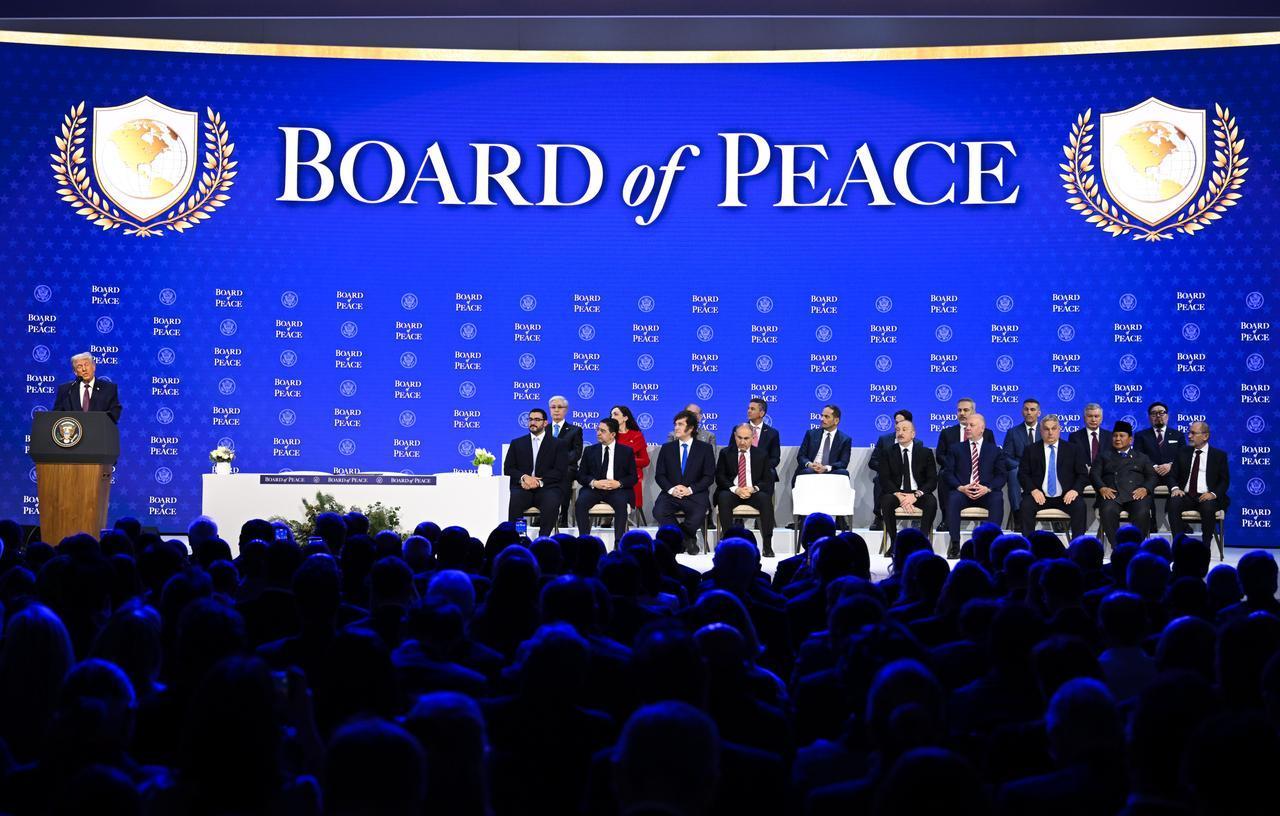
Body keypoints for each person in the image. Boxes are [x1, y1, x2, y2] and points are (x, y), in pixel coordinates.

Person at [940, 413, 1006, 559]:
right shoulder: (955, 448)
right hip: (963, 492)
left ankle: (992, 544)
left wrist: (987, 488)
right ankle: (955, 544)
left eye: (972, 425)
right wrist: (960, 487)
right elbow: (948, 473)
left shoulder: (995, 450)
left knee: (997, 498)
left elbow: (1001, 475)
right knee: (953, 498)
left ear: (982, 428)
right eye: (966, 425)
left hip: (986, 492)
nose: (967, 428)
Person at [652, 410, 716, 555]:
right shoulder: (667, 448)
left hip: (695, 493)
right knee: (659, 511)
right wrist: (672, 489)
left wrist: (690, 489)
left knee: (699, 513)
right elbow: (660, 475)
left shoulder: (704, 449)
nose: (676, 427)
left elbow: (708, 476)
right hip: (671, 494)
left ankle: (680, 539)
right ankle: (687, 540)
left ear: (691, 428)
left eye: (680, 424)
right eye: (675, 424)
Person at [1017, 414, 1089, 541]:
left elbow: (1082, 475)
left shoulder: (1073, 449)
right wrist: (1033, 490)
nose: (1050, 432)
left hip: (1065, 496)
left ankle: (1077, 545)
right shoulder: (1031, 450)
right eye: (1046, 429)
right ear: (1041, 431)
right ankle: (1028, 546)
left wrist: (1075, 490)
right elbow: (1023, 474)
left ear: (1059, 429)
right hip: (1039, 496)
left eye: (1054, 428)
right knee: (1025, 506)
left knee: (1080, 506)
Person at [875, 419, 938, 554]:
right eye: (898, 430)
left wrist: (915, 495)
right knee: (886, 501)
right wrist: (898, 494)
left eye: (904, 429)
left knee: (931, 502)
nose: (900, 433)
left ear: (913, 434)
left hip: (918, 493)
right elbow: (884, 479)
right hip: (897, 493)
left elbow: (932, 480)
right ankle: (895, 542)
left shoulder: (925, 453)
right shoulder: (887, 452)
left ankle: (921, 542)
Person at [1167, 421, 1230, 553]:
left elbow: (1224, 481)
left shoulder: (1219, 455)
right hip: (1186, 495)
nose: (1189, 436)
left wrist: (1212, 494)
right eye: (1189, 433)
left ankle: (1205, 547)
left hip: (1206, 496)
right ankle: (1178, 544)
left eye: (1193, 433)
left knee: (1209, 506)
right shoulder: (1182, 452)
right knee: (1173, 502)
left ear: (1205, 436)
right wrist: (1175, 488)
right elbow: (1172, 476)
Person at [716, 423, 777, 557]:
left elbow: (767, 480)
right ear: (734, 436)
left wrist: (753, 488)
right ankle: (727, 542)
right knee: (723, 497)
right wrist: (736, 489)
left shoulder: (761, 454)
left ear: (753, 438)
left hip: (753, 492)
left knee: (765, 499)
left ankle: (767, 545)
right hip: (733, 491)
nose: (742, 442)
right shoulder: (725, 453)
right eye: (740, 438)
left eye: (746, 438)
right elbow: (720, 477)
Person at [1094, 421, 1157, 548]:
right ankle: (1117, 547)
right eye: (1115, 436)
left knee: (1142, 512)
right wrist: (1102, 487)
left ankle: (1135, 547)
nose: (1117, 439)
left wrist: (1145, 489)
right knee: (1107, 510)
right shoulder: (1104, 456)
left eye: (1121, 436)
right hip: (1112, 494)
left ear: (1130, 439)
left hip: (1136, 494)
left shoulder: (1142, 457)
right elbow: (1094, 474)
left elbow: (1152, 476)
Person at [502, 408, 564, 538]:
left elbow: (559, 470)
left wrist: (538, 482)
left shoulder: (558, 444)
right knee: (516, 500)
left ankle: (543, 539)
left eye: (537, 420)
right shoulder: (517, 443)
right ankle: (519, 537)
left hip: (546, 487)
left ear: (545, 423)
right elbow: (508, 468)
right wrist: (524, 478)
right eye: (530, 419)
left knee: (551, 501)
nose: (532, 422)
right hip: (523, 488)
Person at [935, 398, 994, 532]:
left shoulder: (987, 433)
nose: (962, 413)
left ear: (973, 411)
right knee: (944, 474)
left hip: (978, 472)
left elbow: (992, 455)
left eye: (966, 410)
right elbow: (940, 455)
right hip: (954, 472)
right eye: (959, 410)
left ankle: (986, 521)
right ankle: (946, 518)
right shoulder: (947, 433)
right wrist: (955, 465)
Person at [574, 418, 637, 541]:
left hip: (616, 490)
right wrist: (594, 482)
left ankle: (618, 542)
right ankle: (584, 540)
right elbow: (581, 475)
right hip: (594, 489)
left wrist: (618, 483)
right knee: (580, 503)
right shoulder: (589, 450)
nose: (598, 433)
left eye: (602, 431)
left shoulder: (626, 451)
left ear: (613, 434)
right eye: (598, 429)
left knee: (621, 504)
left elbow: (633, 477)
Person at [868, 409, 912, 531]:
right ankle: (879, 517)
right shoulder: (884, 439)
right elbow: (873, 461)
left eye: (901, 422)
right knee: (879, 479)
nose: (898, 425)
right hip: (887, 476)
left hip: (907, 476)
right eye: (896, 422)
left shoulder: (917, 442)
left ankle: (915, 520)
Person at [1002, 397, 1041, 529]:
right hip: (1019, 469)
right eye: (1026, 409)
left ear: (1038, 413)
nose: (1029, 412)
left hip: (1042, 469)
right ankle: (1018, 516)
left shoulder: (1047, 430)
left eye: (1032, 409)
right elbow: (1006, 457)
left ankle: (1056, 519)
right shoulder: (1013, 432)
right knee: (1013, 473)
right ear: (1022, 412)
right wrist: (1021, 467)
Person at [52, 351, 122, 423]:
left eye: (86, 365)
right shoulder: (66, 390)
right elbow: (57, 415)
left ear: (93, 367)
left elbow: (114, 414)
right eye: (79, 366)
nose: (84, 369)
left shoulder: (109, 389)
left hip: (99, 432)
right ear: (75, 372)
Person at [793, 404, 852, 486]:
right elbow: (801, 456)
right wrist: (810, 464)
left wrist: (826, 468)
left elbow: (843, 463)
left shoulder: (845, 439)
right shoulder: (811, 434)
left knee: (843, 473)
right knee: (806, 472)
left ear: (836, 421)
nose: (822, 419)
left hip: (830, 470)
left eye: (826, 417)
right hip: (811, 469)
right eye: (822, 416)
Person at [547, 395, 583, 527]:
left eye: (560, 407)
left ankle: (563, 515)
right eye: (553, 407)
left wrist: (559, 462)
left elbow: (576, 453)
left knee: (565, 473)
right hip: (546, 467)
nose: (556, 410)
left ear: (566, 410)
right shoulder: (543, 430)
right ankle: (542, 514)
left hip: (567, 468)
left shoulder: (575, 430)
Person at [611, 405, 650, 513]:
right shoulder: (609, 435)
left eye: (616, 414)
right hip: (611, 471)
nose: (612, 417)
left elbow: (645, 461)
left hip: (631, 473)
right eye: (611, 415)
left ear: (625, 418)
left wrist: (627, 461)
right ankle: (608, 515)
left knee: (631, 479)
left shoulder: (637, 436)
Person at [1133, 401, 1185, 479]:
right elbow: (1138, 456)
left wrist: (1170, 465)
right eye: (1154, 413)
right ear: (1149, 417)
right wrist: (1154, 466)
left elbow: (1183, 456)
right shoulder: (1140, 435)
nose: (1158, 416)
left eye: (1161, 413)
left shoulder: (1178, 435)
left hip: (1173, 475)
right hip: (1149, 475)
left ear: (1167, 416)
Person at [1068, 402, 1112, 475]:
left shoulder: (1110, 436)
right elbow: (1071, 461)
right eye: (1090, 416)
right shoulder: (1074, 437)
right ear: (1084, 418)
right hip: (1083, 477)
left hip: (1105, 478)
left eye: (1096, 416)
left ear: (1101, 419)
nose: (1093, 419)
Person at [746, 397, 782, 484]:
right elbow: (732, 453)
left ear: (761, 413)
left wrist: (761, 466)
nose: (749, 411)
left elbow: (775, 458)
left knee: (770, 473)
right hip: (743, 467)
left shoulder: (772, 433)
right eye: (748, 408)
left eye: (752, 409)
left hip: (763, 469)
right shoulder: (739, 429)